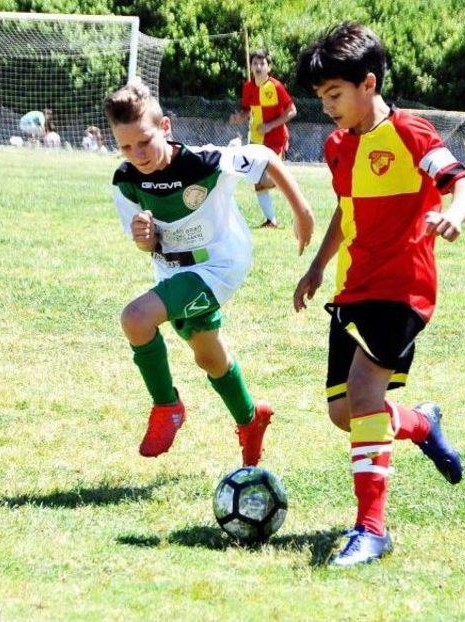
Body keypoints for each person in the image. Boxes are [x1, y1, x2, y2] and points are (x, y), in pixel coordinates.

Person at [294, 22, 465, 566]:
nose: (327, 106)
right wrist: (318, 267)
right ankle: (422, 422)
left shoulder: (410, 134)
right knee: (344, 411)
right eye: (321, 97)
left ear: (368, 84)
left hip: (403, 289)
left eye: (335, 94)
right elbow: (346, 210)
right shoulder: (335, 146)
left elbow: (463, 181)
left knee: (365, 395)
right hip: (355, 288)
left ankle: (371, 530)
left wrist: (453, 215)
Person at [103, 80, 314, 465]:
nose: (137, 154)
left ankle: (168, 406)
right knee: (210, 359)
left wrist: (302, 211)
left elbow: (265, 157)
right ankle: (252, 420)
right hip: (172, 273)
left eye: (144, 141)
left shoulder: (204, 161)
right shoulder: (125, 182)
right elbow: (147, 245)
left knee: (136, 319)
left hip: (218, 267)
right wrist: (143, 238)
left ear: (165, 127)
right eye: (125, 147)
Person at [230, 50, 296, 228]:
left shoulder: (276, 87)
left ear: (269, 67)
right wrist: (239, 118)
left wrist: (271, 125)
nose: (258, 67)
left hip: (276, 139)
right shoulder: (248, 87)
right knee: (256, 180)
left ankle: (290, 187)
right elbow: (246, 110)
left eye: (262, 64)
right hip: (256, 139)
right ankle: (271, 220)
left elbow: (292, 111)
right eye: (255, 64)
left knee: (268, 179)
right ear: (251, 67)